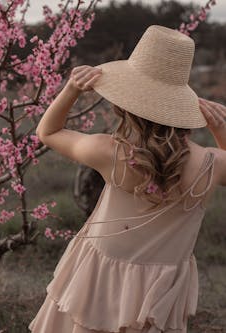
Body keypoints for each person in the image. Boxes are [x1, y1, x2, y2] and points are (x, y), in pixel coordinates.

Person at [28, 25, 226, 333]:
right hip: (157, 298)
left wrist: (71, 89)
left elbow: (48, 132)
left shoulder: (110, 152)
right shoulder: (212, 164)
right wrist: (221, 132)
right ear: (182, 107)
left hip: (96, 285)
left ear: (125, 105)